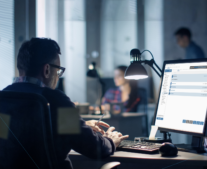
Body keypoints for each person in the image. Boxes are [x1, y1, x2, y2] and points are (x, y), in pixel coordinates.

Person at [2, 38, 129, 169]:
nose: (58, 76)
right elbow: (94, 148)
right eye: (58, 71)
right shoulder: (56, 100)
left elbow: (24, 136)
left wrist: (81, 125)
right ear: (46, 69)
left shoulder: (3, 98)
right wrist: (110, 141)